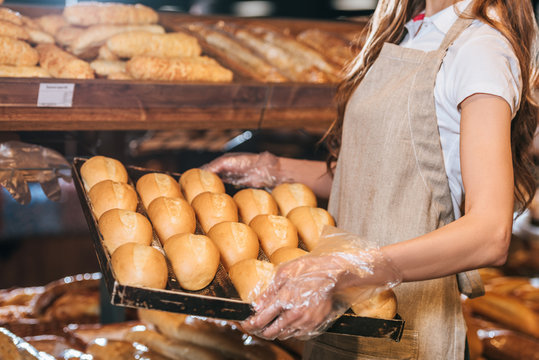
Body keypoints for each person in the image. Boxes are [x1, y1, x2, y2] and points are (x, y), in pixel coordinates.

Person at [204, 0, 538, 358]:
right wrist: (273, 170)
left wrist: (346, 269)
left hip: (407, 330)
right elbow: (378, 179)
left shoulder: (480, 50)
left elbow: (490, 235)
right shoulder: (412, 32)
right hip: (340, 312)